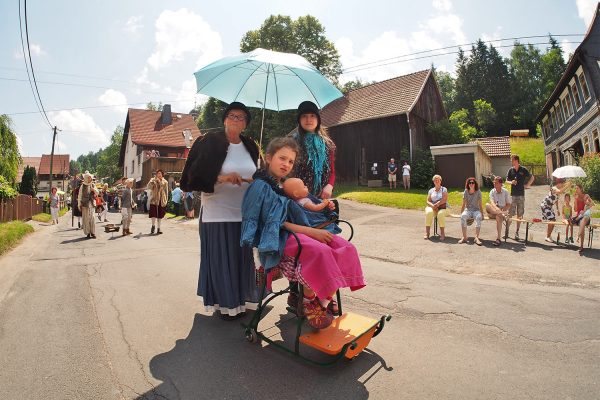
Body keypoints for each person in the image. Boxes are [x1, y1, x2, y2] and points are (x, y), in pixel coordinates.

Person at [241, 137, 366, 329]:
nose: (286, 164)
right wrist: (310, 232)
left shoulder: (286, 185)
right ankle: (309, 301)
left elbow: (307, 204)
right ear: (268, 157)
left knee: (346, 248)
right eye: (282, 158)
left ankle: (322, 300)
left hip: (303, 232)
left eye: (290, 161)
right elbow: (274, 224)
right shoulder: (261, 187)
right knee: (320, 252)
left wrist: (325, 207)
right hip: (280, 238)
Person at [180, 101, 260, 320]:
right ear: (224, 119)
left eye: (241, 117)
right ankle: (226, 305)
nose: (236, 120)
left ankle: (242, 301)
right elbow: (189, 180)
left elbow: (258, 173)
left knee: (241, 259)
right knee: (222, 259)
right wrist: (223, 178)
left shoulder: (251, 146)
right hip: (217, 213)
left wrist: (257, 180)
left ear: (246, 124)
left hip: (244, 213)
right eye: (232, 116)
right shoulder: (207, 142)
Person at [289, 101, 336, 199]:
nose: (308, 119)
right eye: (304, 116)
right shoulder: (292, 142)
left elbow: (332, 171)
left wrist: (330, 185)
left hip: (322, 197)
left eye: (312, 116)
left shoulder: (328, 144)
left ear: (318, 119)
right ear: (299, 120)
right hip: (298, 197)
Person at [506, 154, 534, 240]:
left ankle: (517, 232)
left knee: (519, 215)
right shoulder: (510, 170)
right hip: (513, 195)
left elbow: (532, 177)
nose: (511, 161)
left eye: (512, 160)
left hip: (521, 195)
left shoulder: (523, 169)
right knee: (510, 214)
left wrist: (527, 185)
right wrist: (512, 182)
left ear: (516, 160)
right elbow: (506, 181)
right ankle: (506, 231)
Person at [540, 179, 570, 243]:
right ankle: (547, 236)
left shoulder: (558, 190)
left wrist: (557, 209)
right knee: (552, 220)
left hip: (549, 207)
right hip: (545, 206)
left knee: (553, 221)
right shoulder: (554, 188)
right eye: (561, 184)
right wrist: (567, 185)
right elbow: (559, 191)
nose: (562, 185)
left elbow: (556, 200)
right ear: (558, 183)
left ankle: (548, 235)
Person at [485, 176, 511, 246]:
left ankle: (498, 239)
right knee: (487, 205)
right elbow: (492, 202)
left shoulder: (505, 192)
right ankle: (501, 214)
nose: (494, 184)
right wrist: (497, 209)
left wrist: (502, 210)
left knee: (499, 216)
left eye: (496, 183)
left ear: (500, 184)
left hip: (500, 213)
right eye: (494, 182)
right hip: (493, 211)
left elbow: (508, 204)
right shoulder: (492, 191)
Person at [459, 177, 483, 245]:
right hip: (468, 210)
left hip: (476, 210)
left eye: (473, 183)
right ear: (468, 184)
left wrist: (482, 214)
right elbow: (463, 204)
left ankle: (476, 238)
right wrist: (461, 213)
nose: (471, 184)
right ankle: (464, 237)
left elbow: (480, 204)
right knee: (463, 216)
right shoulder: (466, 191)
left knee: (479, 217)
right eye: (470, 183)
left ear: (475, 184)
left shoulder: (478, 191)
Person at [572, 184, 595, 253]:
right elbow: (575, 210)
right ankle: (580, 242)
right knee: (581, 221)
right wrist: (575, 199)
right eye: (575, 188)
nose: (576, 190)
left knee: (584, 219)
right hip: (579, 217)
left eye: (577, 188)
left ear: (581, 189)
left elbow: (593, 204)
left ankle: (581, 245)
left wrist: (587, 201)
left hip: (586, 217)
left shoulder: (586, 196)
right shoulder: (576, 198)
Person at [424, 175, 448, 241]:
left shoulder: (444, 189)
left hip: (443, 207)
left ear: (440, 181)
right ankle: (427, 233)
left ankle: (442, 233)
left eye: (438, 180)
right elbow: (427, 201)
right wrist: (433, 206)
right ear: (433, 182)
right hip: (433, 207)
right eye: (435, 180)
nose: (437, 181)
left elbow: (444, 199)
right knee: (429, 212)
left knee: (440, 214)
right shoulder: (431, 190)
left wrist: (437, 205)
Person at [147, 170, 169, 234]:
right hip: (154, 200)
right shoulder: (153, 180)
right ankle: (153, 226)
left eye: (160, 173)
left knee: (160, 215)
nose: (159, 174)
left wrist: (166, 200)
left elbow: (166, 191)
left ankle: (159, 228)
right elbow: (148, 187)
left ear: (162, 174)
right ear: (156, 174)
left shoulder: (165, 182)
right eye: (158, 173)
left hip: (161, 200)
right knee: (153, 214)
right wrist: (152, 182)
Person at [78, 171, 97, 239]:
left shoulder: (93, 185)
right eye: (88, 178)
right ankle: (88, 233)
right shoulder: (82, 186)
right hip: (85, 204)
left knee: (92, 218)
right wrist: (79, 204)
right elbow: (80, 195)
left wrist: (93, 190)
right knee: (86, 219)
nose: (90, 179)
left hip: (91, 204)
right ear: (86, 178)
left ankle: (93, 232)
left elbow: (97, 193)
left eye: (90, 178)